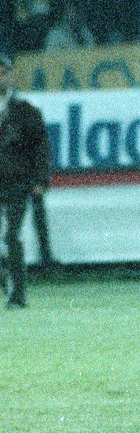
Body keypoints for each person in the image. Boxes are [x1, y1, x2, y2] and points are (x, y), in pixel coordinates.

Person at [0, 53, 52, 308]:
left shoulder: (25, 112)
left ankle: (17, 294)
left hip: (15, 183)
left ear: (11, 76)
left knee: (11, 236)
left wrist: (41, 179)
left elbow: (41, 148)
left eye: (2, 71)